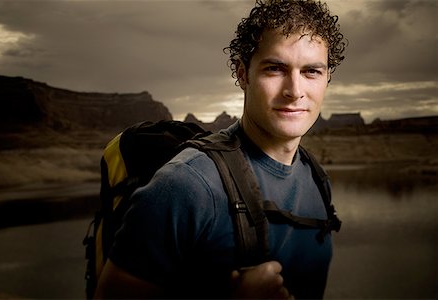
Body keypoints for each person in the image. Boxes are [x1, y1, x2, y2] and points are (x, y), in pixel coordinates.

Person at [94, 0, 347, 299]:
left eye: (311, 71)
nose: (294, 90)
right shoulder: (185, 186)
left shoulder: (316, 179)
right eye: (275, 69)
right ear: (243, 74)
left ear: (327, 77)